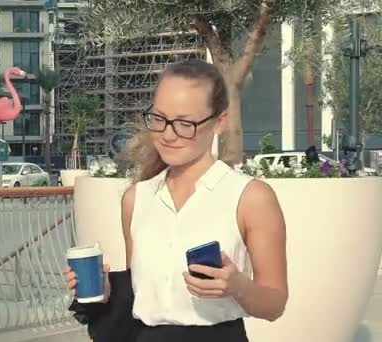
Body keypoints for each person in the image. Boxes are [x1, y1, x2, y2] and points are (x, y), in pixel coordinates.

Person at [64, 60, 288, 342]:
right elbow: (139, 294)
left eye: (184, 123)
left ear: (220, 121)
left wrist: (238, 286)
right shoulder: (136, 199)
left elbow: (275, 304)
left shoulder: (251, 197)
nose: (168, 134)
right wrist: (105, 292)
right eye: (159, 119)